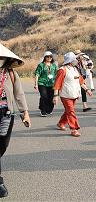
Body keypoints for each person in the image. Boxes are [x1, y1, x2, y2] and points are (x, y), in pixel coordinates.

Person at [0, 43, 31, 197]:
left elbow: (19, 94)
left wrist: (25, 112)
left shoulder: (11, 74)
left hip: (6, 114)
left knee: (3, 146)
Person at [53, 52, 92, 137]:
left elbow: (81, 82)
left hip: (74, 94)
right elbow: (57, 84)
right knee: (71, 111)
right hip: (65, 95)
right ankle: (74, 129)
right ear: (70, 61)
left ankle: (61, 123)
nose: (76, 60)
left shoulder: (75, 69)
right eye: (75, 59)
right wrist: (55, 96)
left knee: (69, 111)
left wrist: (87, 90)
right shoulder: (62, 70)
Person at [34, 51, 58, 117]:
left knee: (50, 98)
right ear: (45, 57)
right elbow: (37, 74)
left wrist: (58, 83)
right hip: (42, 83)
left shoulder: (54, 65)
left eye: (50, 57)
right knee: (44, 96)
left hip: (51, 84)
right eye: (47, 57)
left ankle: (49, 108)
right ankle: (42, 110)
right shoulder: (41, 65)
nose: (49, 58)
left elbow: (57, 74)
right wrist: (36, 84)